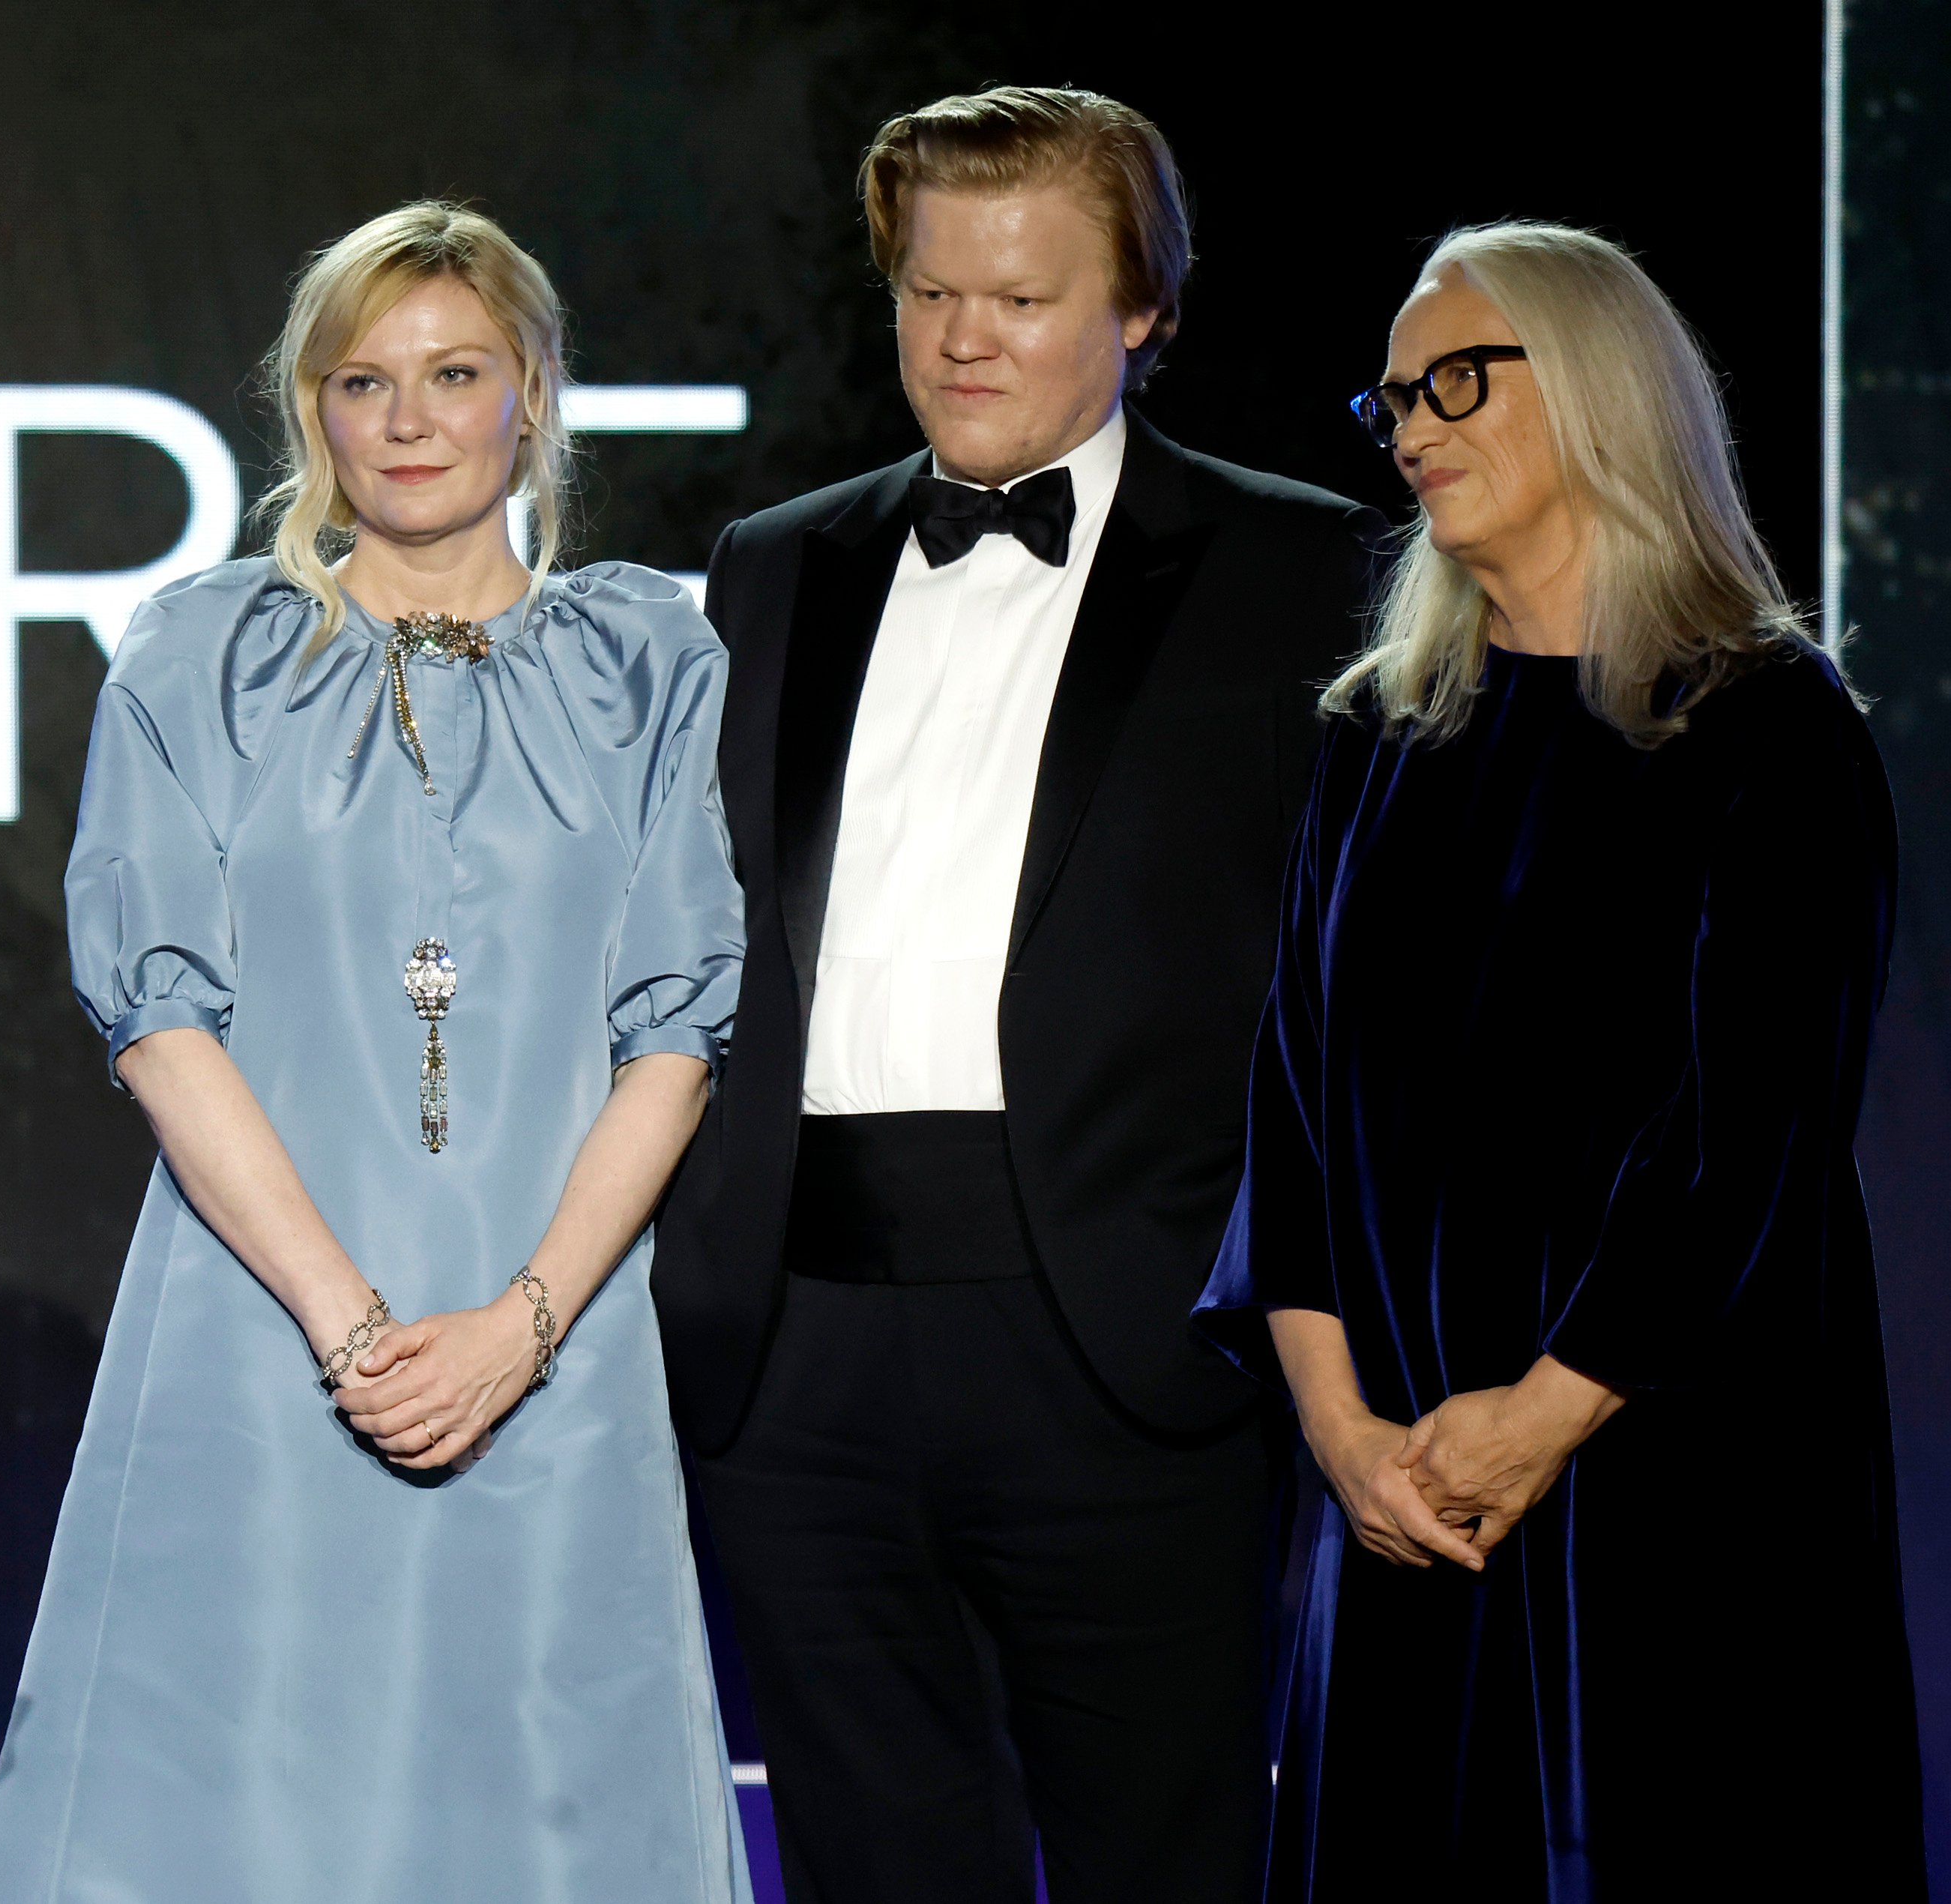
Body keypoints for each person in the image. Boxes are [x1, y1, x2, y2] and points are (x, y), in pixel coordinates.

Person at [0, 202, 751, 1904]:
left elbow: (677, 1029)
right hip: (260, 1347)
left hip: (553, 1347)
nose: (406, 419)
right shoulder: (204, 654)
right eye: (361, 379)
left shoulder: (646, 662)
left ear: (530, 394)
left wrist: (522, 1329)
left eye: (453, 373)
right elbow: (160, 1017)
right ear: (309, 409)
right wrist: (357, 1332)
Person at [655, 87, 1385, 1903]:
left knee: (1166, 1858)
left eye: (1024, 298)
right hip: (797, 1349)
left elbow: (1357, 988)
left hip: (1130, 1346)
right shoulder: (774, 561)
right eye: (929, 293)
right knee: (873, 1859)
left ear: (1143, 310)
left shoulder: (1304, 567)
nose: (964, 337)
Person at [1192, 220, 1924, 1900]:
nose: (1416, 427)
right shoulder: (1380, 734)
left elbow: (1750, 1141)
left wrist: (1535, 1419)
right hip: (1407, 1503)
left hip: (1675, 1497)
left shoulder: (1771, 727)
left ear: (1602, 387)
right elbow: (1291, 1110)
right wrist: (1342, 1433)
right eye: (1392, 403)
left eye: (1457, 378)